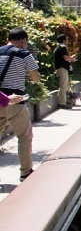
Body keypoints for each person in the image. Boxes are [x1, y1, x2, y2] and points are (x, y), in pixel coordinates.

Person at [0, 29, 40, 181]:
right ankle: (25, 172)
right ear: (23, 41)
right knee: (24, 136)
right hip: (15, 101)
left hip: (0, 98)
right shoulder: (24, 54)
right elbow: (36, 78)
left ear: (7, 39)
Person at [53, 34, 77, 110]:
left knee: (63, 86)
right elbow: (65, 58)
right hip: (62, 68)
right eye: (66, 39)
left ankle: (63, 102)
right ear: (63, 40)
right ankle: (62, 104)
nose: (67, 41)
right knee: (63, 86)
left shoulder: (58, 47)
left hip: (60, 68)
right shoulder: (62, 47)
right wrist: (72, 58)